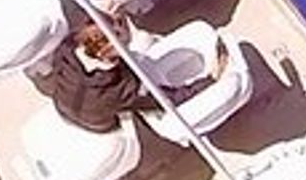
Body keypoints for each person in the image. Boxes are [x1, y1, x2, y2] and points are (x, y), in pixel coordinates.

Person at [40, 16, 221, 133]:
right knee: (144, 42)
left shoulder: (67, 48)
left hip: (63, 105)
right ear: (105, 53)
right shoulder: (121, 88)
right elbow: (168, 99)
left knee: (142, 45)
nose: (123, 30)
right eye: (119, 36)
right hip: (98, 123)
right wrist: (211, 79)